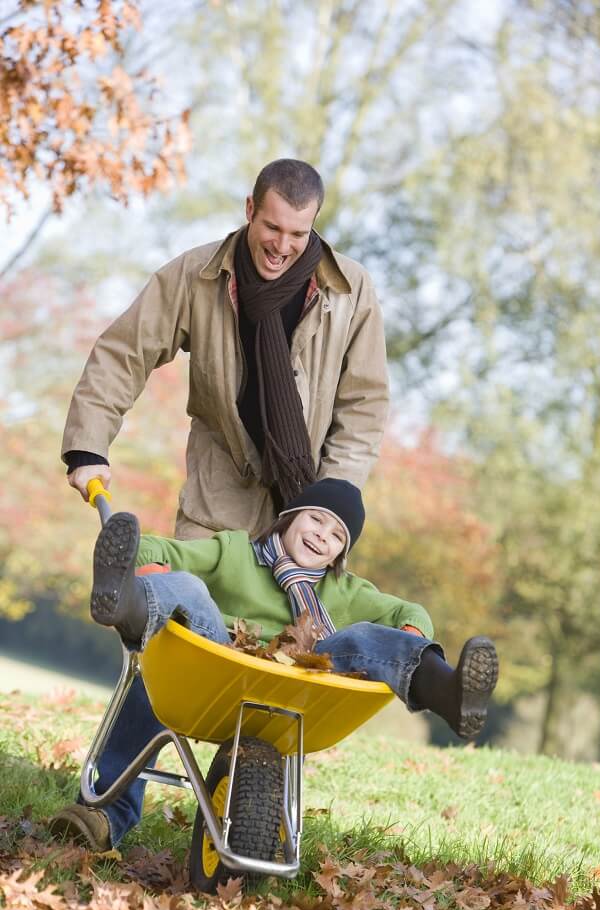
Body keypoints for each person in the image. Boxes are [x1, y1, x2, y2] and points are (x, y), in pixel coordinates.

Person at [50, 479, 498, 852]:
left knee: (360, 638)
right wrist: (145, 573)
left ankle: (451, 695)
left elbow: (411, 612)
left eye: (337, 535)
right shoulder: (235, 552)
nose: (323, 535)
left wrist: (413, 635)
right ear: (291, 516)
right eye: (316, 519)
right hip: (212, 664)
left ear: (340, 552)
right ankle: (126, 609)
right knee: (187, 589)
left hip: (290, 691)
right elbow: (151, 548)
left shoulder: (347, 590)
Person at [62, 158, 389, 539]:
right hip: (214, 510)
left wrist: (330, 501)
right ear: (250, 209)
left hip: (308, 519)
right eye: (272, 227)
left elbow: (364, 403)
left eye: (297, 233)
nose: (282, 246)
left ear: (314, 222)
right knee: (187, 599)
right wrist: (88, 447)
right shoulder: (194, 276)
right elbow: (123, 354)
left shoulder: (350, 289)